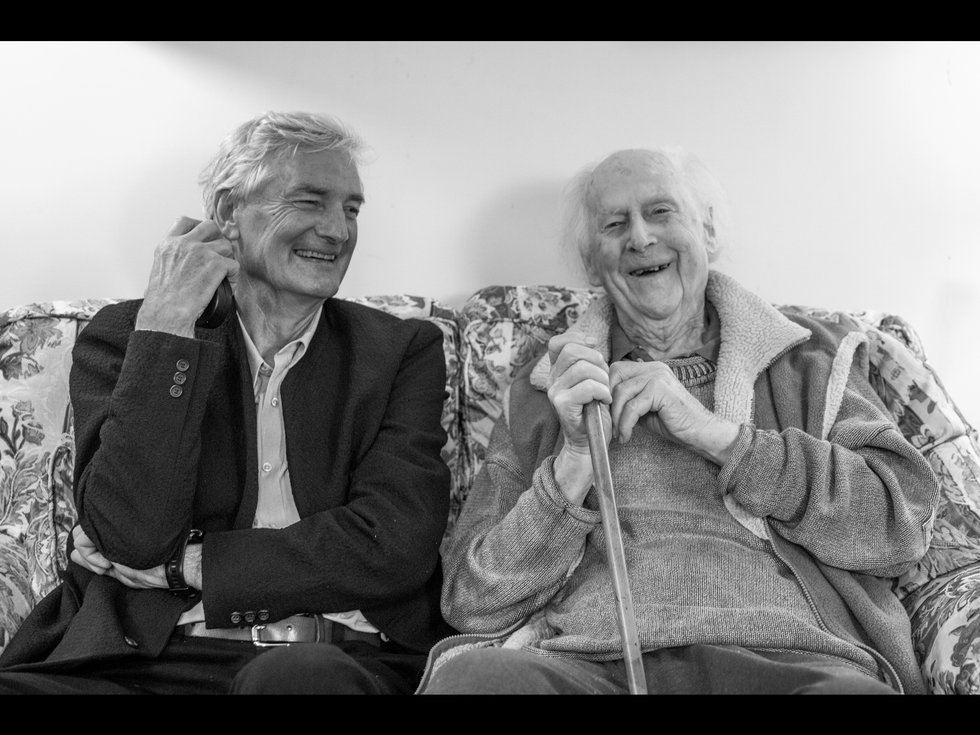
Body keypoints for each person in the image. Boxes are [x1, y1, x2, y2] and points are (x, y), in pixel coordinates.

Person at [422, 148, 940, 695]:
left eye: (662, 212)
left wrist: (719, 437)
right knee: (475, 682)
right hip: (591, 661)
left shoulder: (809, 361)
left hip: (789, 660)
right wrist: (575, 459)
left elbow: (900, 524)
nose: (641, 238)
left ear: (708, 232)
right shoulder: (546, 388)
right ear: (592, 262)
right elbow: (472, 599)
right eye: (615, 224)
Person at [0, 111, 452, 694]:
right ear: (227, 215)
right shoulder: (127, 337)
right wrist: (166, 327)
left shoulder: (398, 350)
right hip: (144, 658)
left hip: (328, 658)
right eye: (310, 201)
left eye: (351, 209)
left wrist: (190, 566)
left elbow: (393, 545)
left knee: (302, 681)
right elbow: (129, 536)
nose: (339, 231)